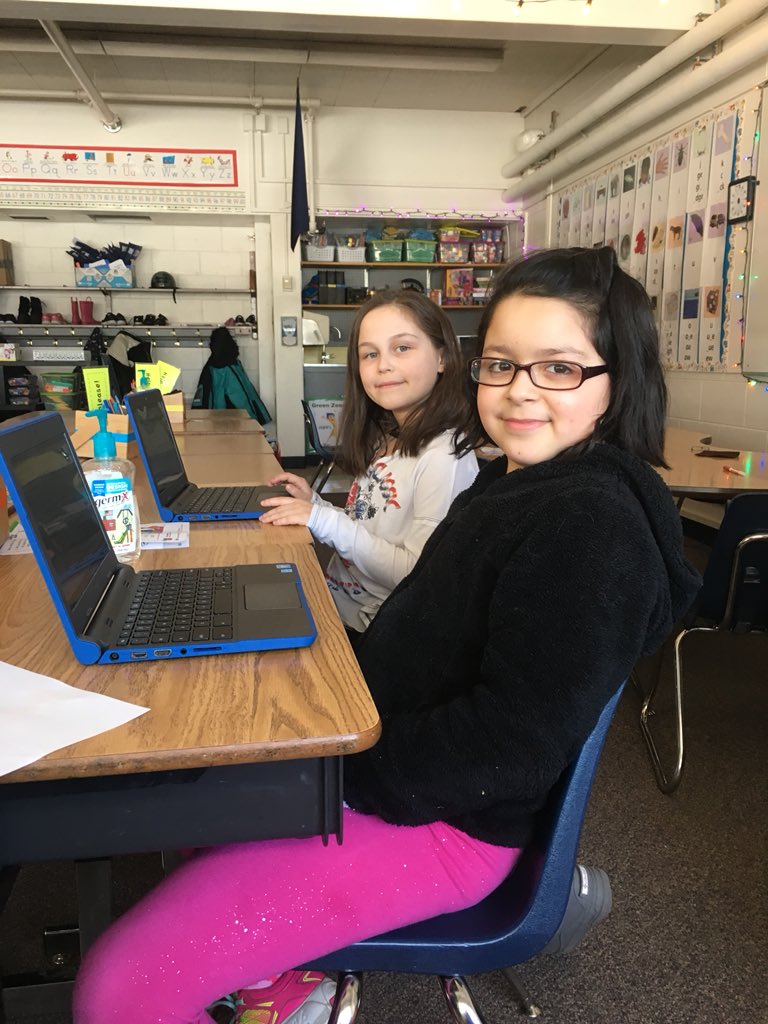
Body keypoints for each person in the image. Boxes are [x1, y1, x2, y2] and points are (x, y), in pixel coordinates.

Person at [73, 247, 700, 1024]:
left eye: (559, 368)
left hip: (441, 823)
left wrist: (336, 774)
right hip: (394, 764)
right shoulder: (517, 481)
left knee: (121, 988)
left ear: (618, 380)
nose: (519, 390)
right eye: (501, 364)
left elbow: (506, 746)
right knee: (196, 792)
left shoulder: (590, 526)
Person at [259, 290, 479, 633]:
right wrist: (313, 504)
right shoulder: (387, 437)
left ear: (443, 357)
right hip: (334, 604)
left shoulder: (445, 456)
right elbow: (367, 527)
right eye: (370, 354)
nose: (383, 365)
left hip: (377, 630)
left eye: (402, 348)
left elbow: (417, 573)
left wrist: (323, 519)